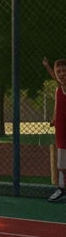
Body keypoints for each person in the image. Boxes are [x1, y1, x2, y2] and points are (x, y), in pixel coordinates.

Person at [42, 57, 66, 202]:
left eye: (64, 71)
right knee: (62, 163)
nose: (61, 74)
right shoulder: (58, 89)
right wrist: (54, 118)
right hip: (61, 131)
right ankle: (62, 188)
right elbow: (58, 107)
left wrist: (48, 67)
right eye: (59, 71)